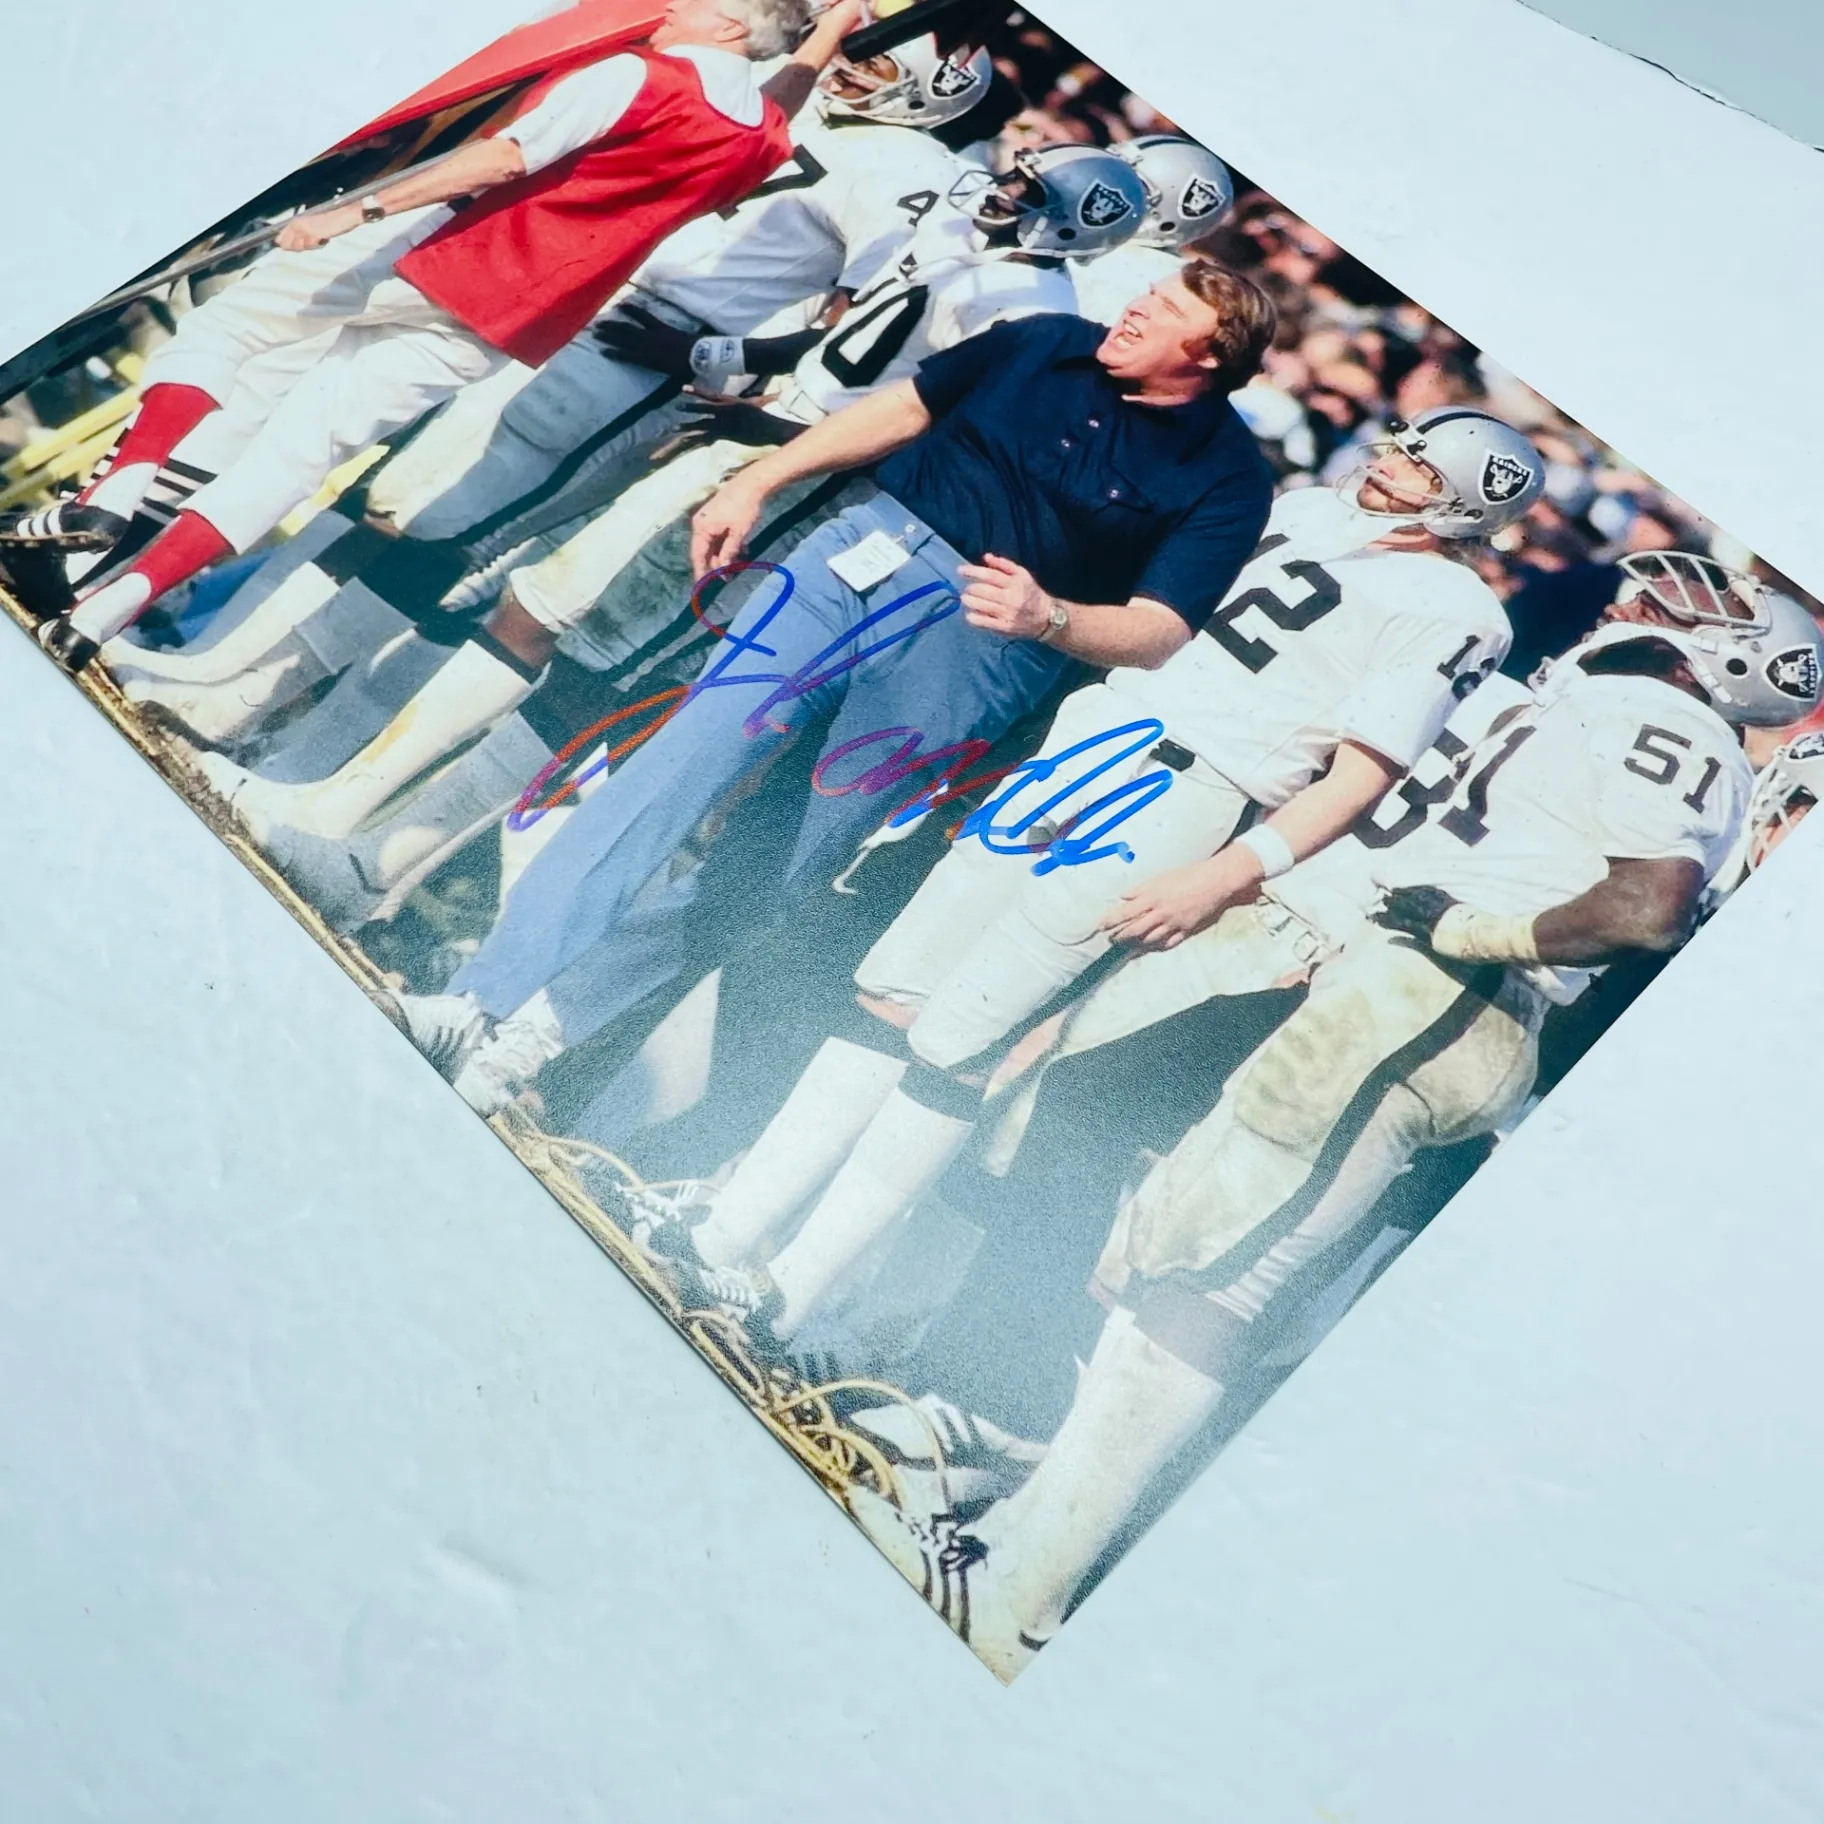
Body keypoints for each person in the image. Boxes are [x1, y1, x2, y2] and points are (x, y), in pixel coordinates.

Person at [849, 551, 1823, 1680]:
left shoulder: (1679, 726)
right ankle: (1020, 1537)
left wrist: (1473, 932)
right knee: (1184, 1264)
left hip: (1437, 1001)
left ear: (1741, 664)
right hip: (1402, 989)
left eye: (1691, 608)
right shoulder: (1607, 705)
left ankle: (1026, 1592)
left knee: (1212, 1286)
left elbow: (1650, 905)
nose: (1646, 603)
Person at [667, 407, 1540, 1344]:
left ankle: (791, 1292)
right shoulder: (1312, 512)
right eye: (1399, 447)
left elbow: (1360, 780)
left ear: (1463, 508)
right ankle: (724, 1234)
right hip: (1099, 734)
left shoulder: (1459, 614)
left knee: (962, 1037)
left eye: (1420, 469)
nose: (1389, 464)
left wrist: (1227, 876)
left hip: (1193, 789)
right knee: (894, 989)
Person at [389, 259, 1280, 1115]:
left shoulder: (1232, 475)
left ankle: (537, 1035)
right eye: (1149, 291)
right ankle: (476, 1002)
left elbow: (1159, 631)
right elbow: (905, 408)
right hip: (855, 563)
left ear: (1208, 356)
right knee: (675, 769)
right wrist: (762, 476)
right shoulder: (1047, 339)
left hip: (985, 647)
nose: (1138, 307)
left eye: (1168, 309)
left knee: (780, 860)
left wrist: (1051, 618)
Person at [191, 142, 1132, 852]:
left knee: (601, 662)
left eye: (1031, 194)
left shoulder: (1035, 308)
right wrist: (735, 378)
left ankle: (377, 850)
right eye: (1017, 174)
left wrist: (784, 446)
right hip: (760, 437)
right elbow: (845, 344)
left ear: (1072, 228)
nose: (1006, 191)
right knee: (539, 603)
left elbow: (926, 421)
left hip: (803, 476)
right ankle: (337, 800)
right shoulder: (968, 245)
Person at [102, 34, 1001, 748]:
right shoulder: (784, 97)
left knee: (454, 533)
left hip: (648, 353)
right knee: (393, 498)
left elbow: (877, 313)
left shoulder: (912, 173)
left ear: (935, 92)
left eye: (880, 64)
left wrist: (719, 353)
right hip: (583, 297)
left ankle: (256, 703)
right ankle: (218, 659)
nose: (852, 69)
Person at [27, 0, 856, 673]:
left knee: (228, 324)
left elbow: (505, 159)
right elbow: (779, 99)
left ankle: (118, 491)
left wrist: (359, 208)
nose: (669, 6)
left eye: (695, 1)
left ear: (730, 26)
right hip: (515, 316)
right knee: (301, 454)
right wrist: (829, 27)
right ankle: (105, 611)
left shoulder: (641, 73)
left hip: (440, 247)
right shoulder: (760, 135)